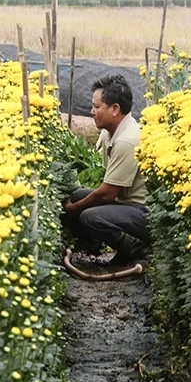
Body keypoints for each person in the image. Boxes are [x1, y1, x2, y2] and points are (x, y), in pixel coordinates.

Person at [63, 74, 149, 266]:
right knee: (78, 195)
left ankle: (138, 249)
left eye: (96, 107)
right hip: (125, 204)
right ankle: (91, 246)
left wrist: (72, 210)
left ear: (115, 109)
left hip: (143, 212)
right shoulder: (108, 133)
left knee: (89, 216)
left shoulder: (127, 140)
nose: (91, 111)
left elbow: (107, 194)